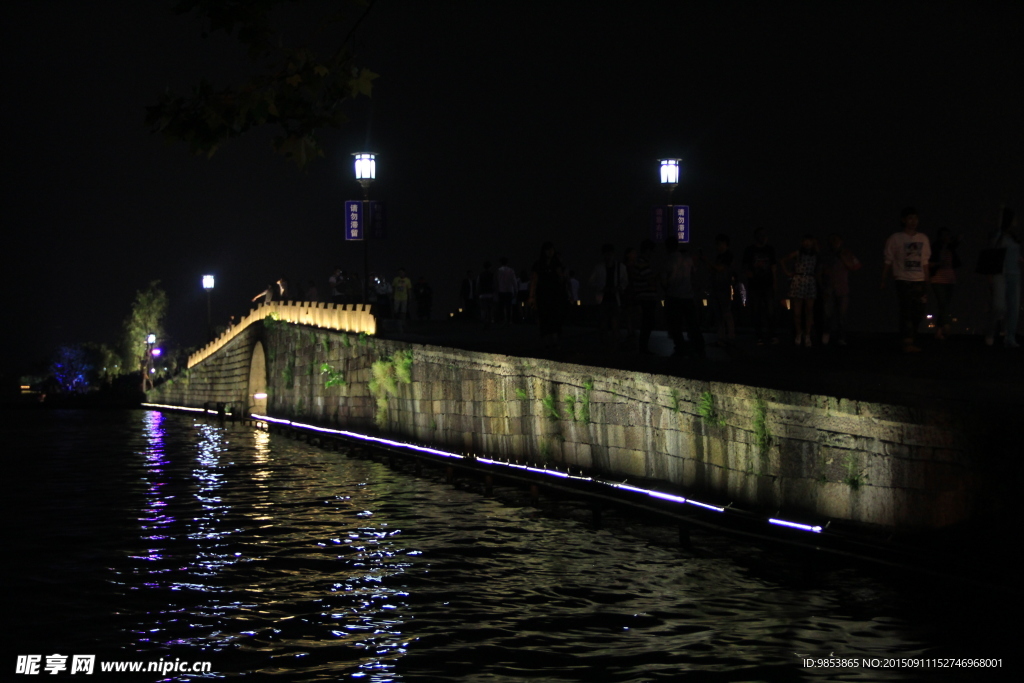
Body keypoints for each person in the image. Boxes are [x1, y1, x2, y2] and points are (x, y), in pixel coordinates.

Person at [881, 207, 931, 353]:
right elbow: (888, 260)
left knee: (918, 311)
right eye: (910, 218)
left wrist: (927, 279)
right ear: (903, 220)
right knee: (906, 310)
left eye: (915, 218)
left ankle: (911, 337)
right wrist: (883, 278)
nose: (913, 221)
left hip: (919, 279)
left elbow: (925, 261)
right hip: (903, 279)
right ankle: (907, 342)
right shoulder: (896, 238)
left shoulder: (923, 238)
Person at [986, 207, 1021, 348]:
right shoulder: (998, 235)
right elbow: (991, 253)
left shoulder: (1013, 237)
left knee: (1014, 308)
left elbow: (1014, 255)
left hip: (1015, 274)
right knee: (999, 306)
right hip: (1000, 273)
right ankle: (990, 330)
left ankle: (1010, 338)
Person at [664, 238, 704, 358]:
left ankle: (680, 347)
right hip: (688, 296)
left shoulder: (668, 261)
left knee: (675, 325)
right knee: (693, 324)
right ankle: (699, 347)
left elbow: (665, 281)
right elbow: (693, 275)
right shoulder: (687, 259)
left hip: (674, 296)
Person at [821, 233, 861, 345]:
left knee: (842, 315)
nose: (835, 243)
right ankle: (826, 334)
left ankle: (841, 337)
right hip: (829, 287)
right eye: (833, 240)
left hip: (842, 288)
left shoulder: (846, 253)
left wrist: (843, 257)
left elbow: (856, 266)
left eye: (837, 240)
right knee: (827, 314)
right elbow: (822, 270)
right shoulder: (827, 254)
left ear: (841, 242)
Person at [781, 235, 820, 347]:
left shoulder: (815, 254)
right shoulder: (798, 253)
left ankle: (807, 334)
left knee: (809, 310)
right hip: (798, 280)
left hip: (810, 280)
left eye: (809, 242)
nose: (807, 244)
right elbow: (783, 260)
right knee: (797, 312)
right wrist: (788, 272)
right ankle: (799, 333)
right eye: (805, 241)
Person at [742, 228, 779, 345]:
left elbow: (773, 266)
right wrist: (748, 273)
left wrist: (774, 281)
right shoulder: (750, 250)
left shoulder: (770, 249)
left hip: (767, 284)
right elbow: (744, 265)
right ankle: (760, 336)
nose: (764, 237)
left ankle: (771, 335)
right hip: (755, 285)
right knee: (756, 311)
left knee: (770, 311)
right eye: (761, 235)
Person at [589, 244, 629, 349]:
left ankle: (609, 345)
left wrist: (618, 288)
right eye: (607, 254)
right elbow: (591, 282)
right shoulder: (616, 267)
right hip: (607, 298)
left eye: (610, 254)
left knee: (610, 323)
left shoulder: (617, 267)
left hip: (611, 298)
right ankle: (610, 345)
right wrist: (603, 288)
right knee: (607, 323)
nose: (608, 256)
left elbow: (625, 282)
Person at [529, 242, 567, 347]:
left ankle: (554, 338)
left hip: (555, 294)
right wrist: (532, 296)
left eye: (551, 250)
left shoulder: (556, 263)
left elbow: (561, 279)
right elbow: (534, 280)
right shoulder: (539, 264)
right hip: (543, 294)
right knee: (544, 316)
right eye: (548, 250)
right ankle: (547, 339)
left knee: (555, 316)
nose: (550, 252)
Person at [702, 234, 736, 346]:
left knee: (725, 313)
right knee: (719, 314)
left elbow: (720, 269)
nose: (718, 246)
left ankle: (730, 337)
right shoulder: (720, 256)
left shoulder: (727, 256)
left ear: (725, 244)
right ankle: (722, 338)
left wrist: (707, 261)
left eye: (720, 244)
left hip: (723, 287)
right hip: (717, 287)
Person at [928, 228, 960, 341]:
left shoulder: (951, 249)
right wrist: (939, 263)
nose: (947, 238)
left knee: (944, 305)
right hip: (937, 279)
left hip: (950, 279)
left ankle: (939, 331)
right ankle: (946, 325)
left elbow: (956, 262)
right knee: (943, 303)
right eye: (945, 235)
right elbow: (929, 263)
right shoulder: (936, 248)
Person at [496, 257, 518, 325]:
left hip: (501, 290)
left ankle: (502, 320)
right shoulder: (511, 270)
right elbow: (514, 281)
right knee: (509, 306)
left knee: (501, 307)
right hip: (509, 290)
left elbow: (497, 281)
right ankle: (509, 320)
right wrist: (516, 290)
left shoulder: (498, 270)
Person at [478, 261, 497, 329]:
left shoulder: (481, 275)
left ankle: (484, 321)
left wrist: (478, 292)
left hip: (482, 294)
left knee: (483, 309)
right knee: (490, 308)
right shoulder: (492, 275)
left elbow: (478, 284)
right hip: (490, 294)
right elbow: (494, 284)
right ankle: (489, 321)